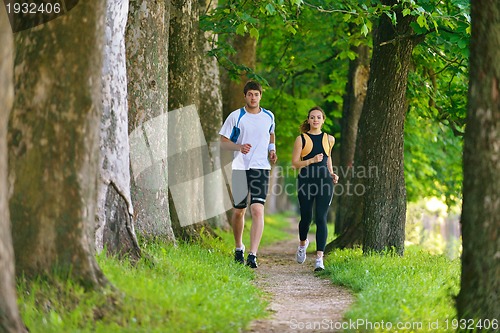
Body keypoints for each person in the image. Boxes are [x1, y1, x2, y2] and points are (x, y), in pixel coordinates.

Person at [219, 80, 277, 268]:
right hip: (240, 167)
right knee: (239, 211)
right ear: (245, 96)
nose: (253, 98)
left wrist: (272, 149)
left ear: (261, 96)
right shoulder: (236, 117)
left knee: (257, 209)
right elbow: (223, 142)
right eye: (250, 94)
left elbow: (271, 134)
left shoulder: (269, 116)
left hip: (261, 168)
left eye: (256, 94)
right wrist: (239, 147)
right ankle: (238, 248)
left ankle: (253, 254)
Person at [291, 106, 338, 271]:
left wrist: (332, 174)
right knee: (306, 218)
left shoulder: (329, 139)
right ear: (308, 120)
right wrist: (311, 160)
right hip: (306, 181)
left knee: (321, 218)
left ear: (323, 120)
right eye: (312, 117)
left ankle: (319, 259)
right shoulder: (301, 139)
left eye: (319, 117)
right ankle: (302, 244)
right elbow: (295, 164)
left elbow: (328, 158)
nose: (315, 120)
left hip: (324, 182)